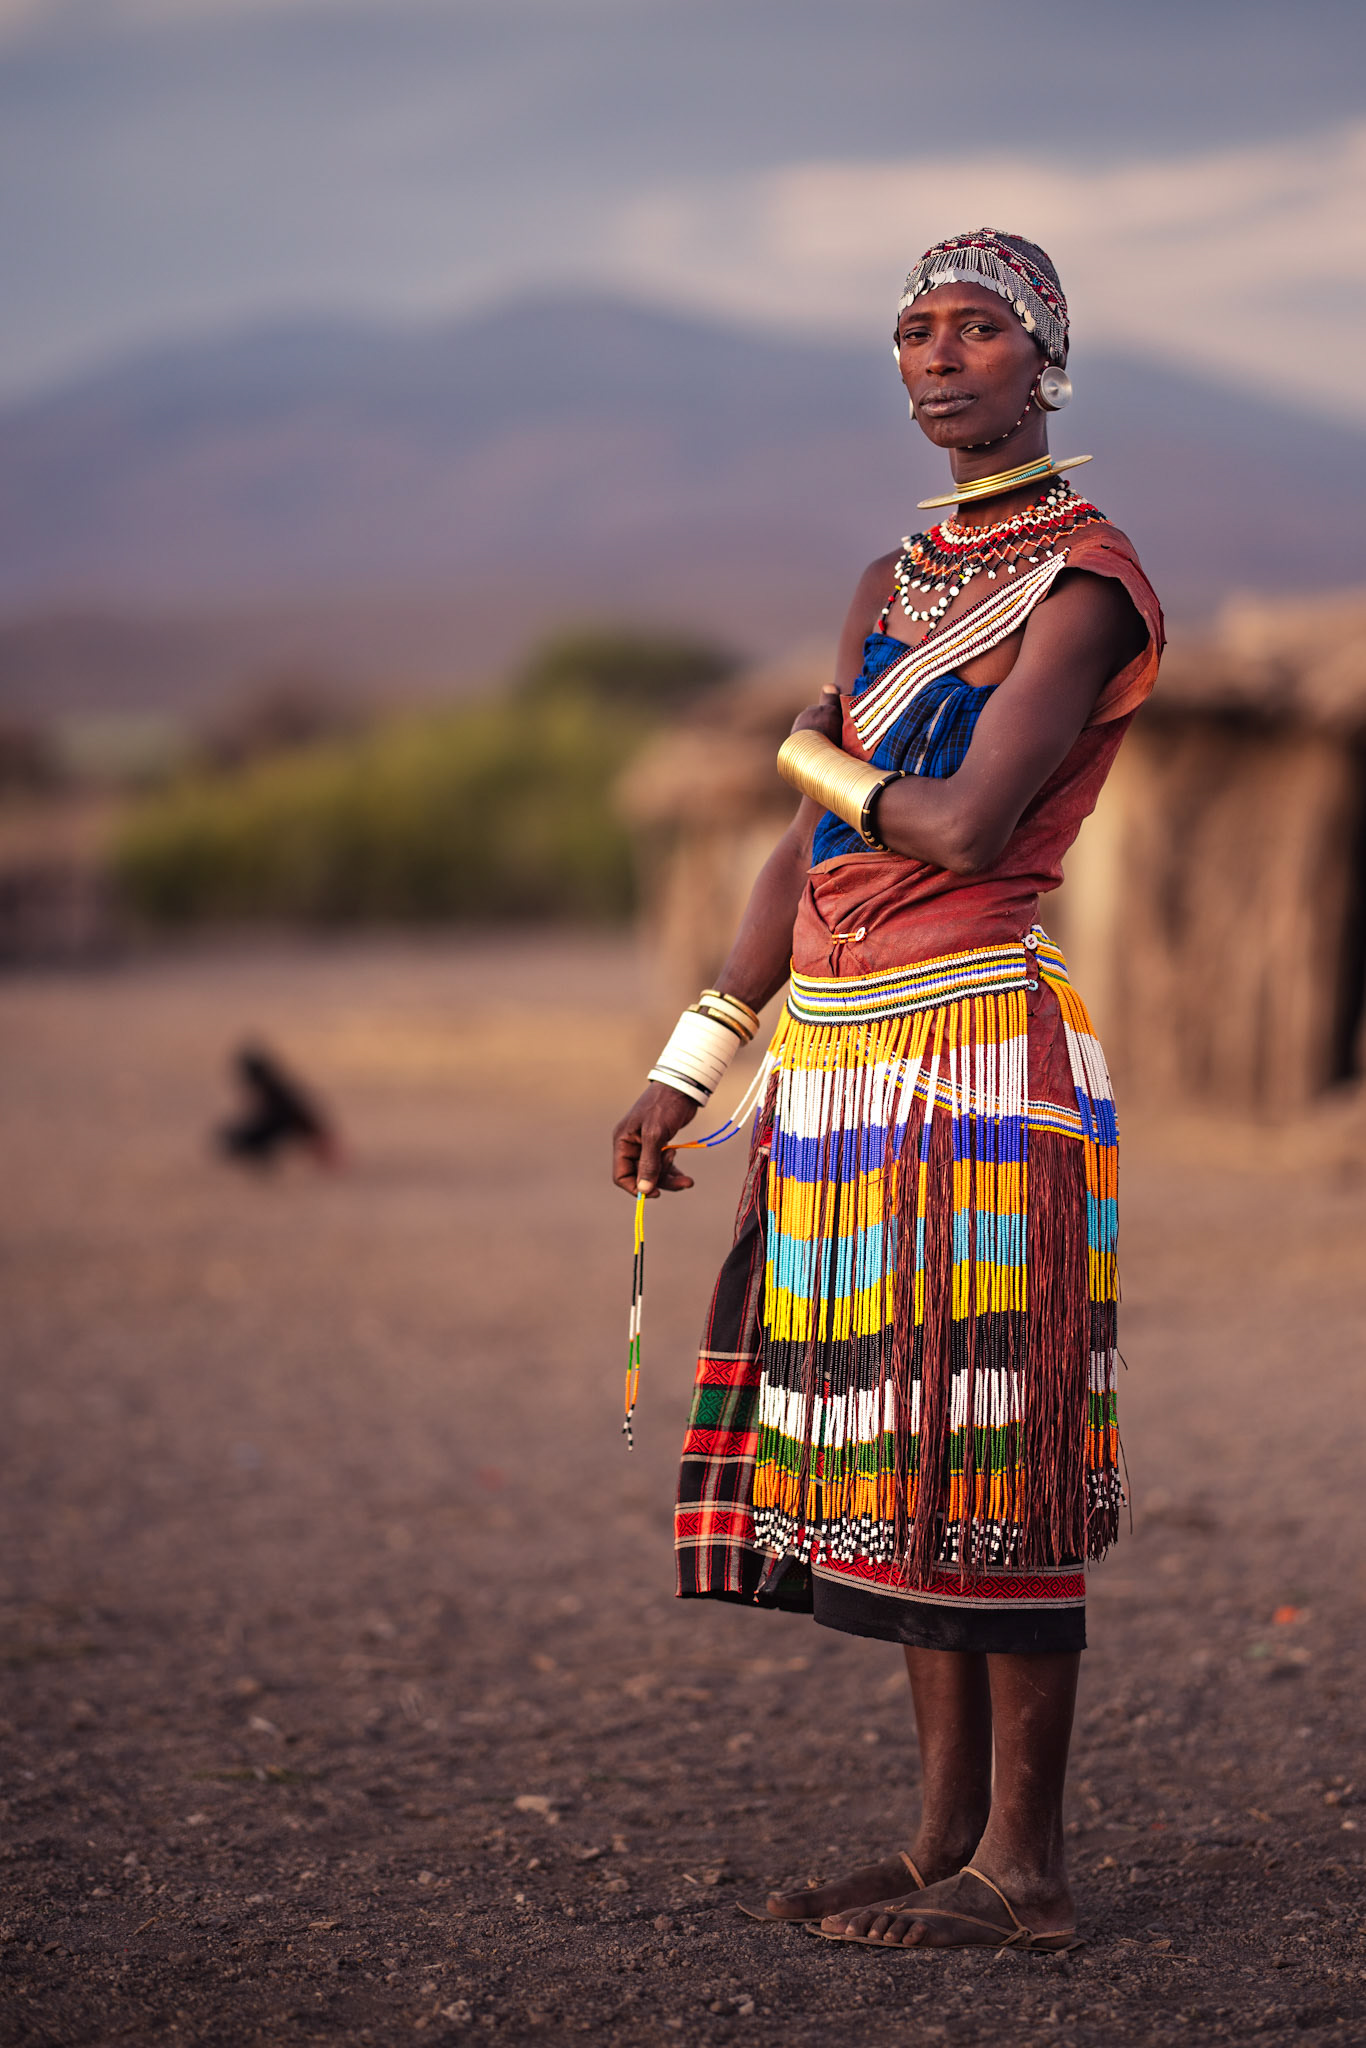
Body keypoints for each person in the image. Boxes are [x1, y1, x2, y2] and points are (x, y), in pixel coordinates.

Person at [611, 229, 1162, 1953]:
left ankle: (1031, 1868)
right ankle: (939, 1847)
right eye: (915, 328)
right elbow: (816, 845)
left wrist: (808, 748)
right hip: (838, 1061)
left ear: (1043, 359)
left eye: (980, 328)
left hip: (980, 1056)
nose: (939, 355)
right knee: (890, 1443)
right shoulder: (893, 577)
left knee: (987, 1442)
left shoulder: (1088, 583)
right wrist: (690, 1062)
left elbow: (964, 824)